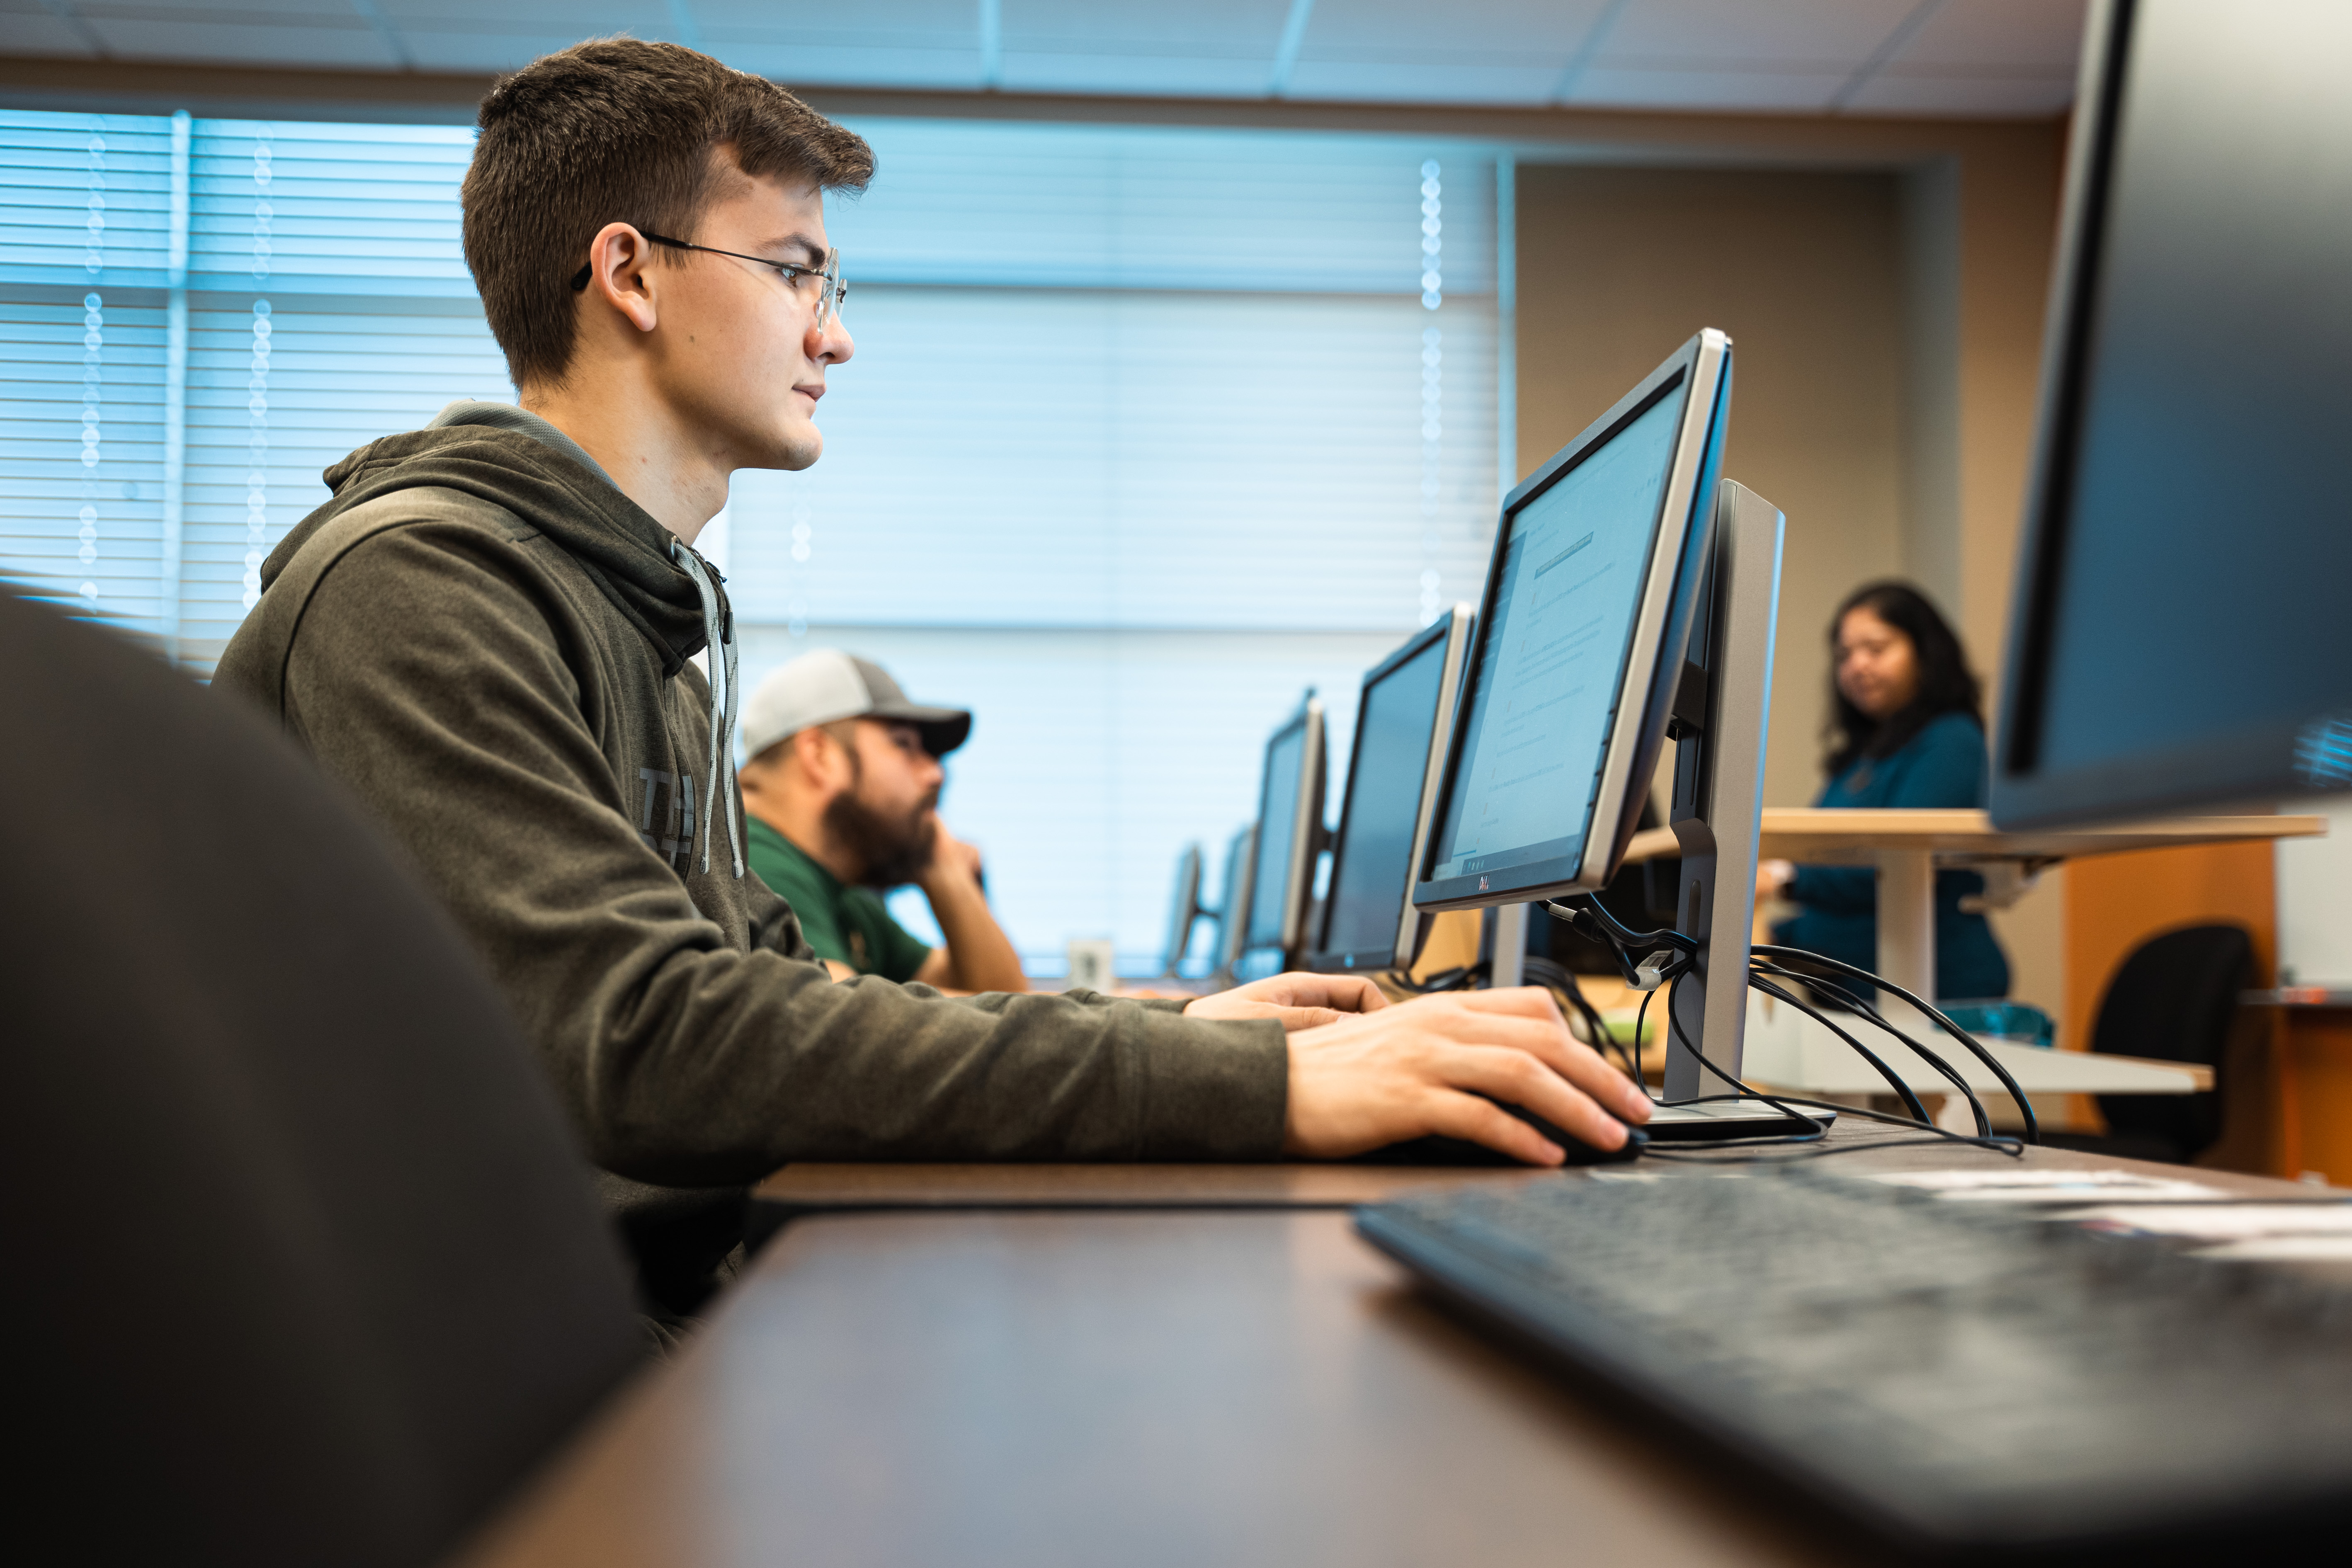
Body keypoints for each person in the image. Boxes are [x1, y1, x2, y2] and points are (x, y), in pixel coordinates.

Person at [211, 38, 1651, 1310]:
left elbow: (771, 996)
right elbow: (650, 1042)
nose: (834, 333)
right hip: (480, 1371)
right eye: (794, 273)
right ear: (629, 273)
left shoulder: (636, 616)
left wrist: (1180, 1036)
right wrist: (1254, 1087)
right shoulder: (421, 590)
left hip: (609, 1300)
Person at [1758, 580, 2011, 1000]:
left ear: (1923, 652)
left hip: (1934, 994)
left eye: (1875, 649)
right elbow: (1832, 888)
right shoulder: (1862, 759)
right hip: (1853, 994)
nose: (1857, 666)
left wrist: (1783, 877)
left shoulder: (1951, 740)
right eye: (1844, 656)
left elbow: (1889, 865)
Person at [736, 649, 1025, 994]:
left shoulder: (846, 897)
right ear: (819, 756)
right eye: (903, 744)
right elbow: (846, 1022)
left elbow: (999, 996)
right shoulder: (756, 866)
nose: (936, 773)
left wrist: (943, 871)